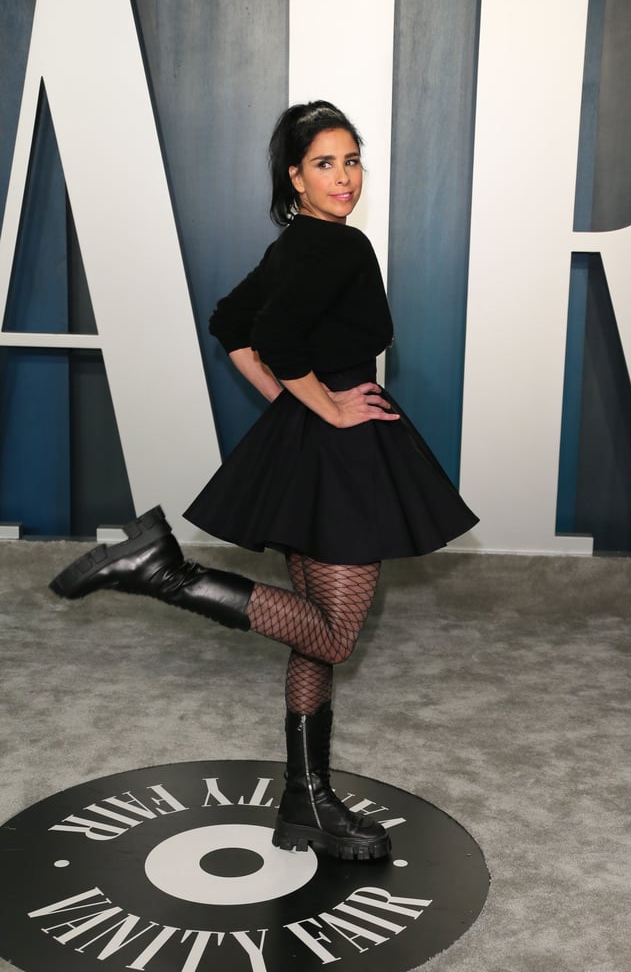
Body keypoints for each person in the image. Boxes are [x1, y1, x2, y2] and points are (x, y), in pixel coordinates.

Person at [50, 101, 478, 862]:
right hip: (341, 457)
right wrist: (327, 408)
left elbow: (230, 322)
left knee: (311, 636)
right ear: (294, 175)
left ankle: (304, 802)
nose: (343, 178)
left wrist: (292, 406)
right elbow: (271, 337)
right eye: (324, 163)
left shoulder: (299, 245)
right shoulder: (341, 250)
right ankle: (166, 574)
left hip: (303, 452)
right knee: (336, 634)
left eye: (351, 161)